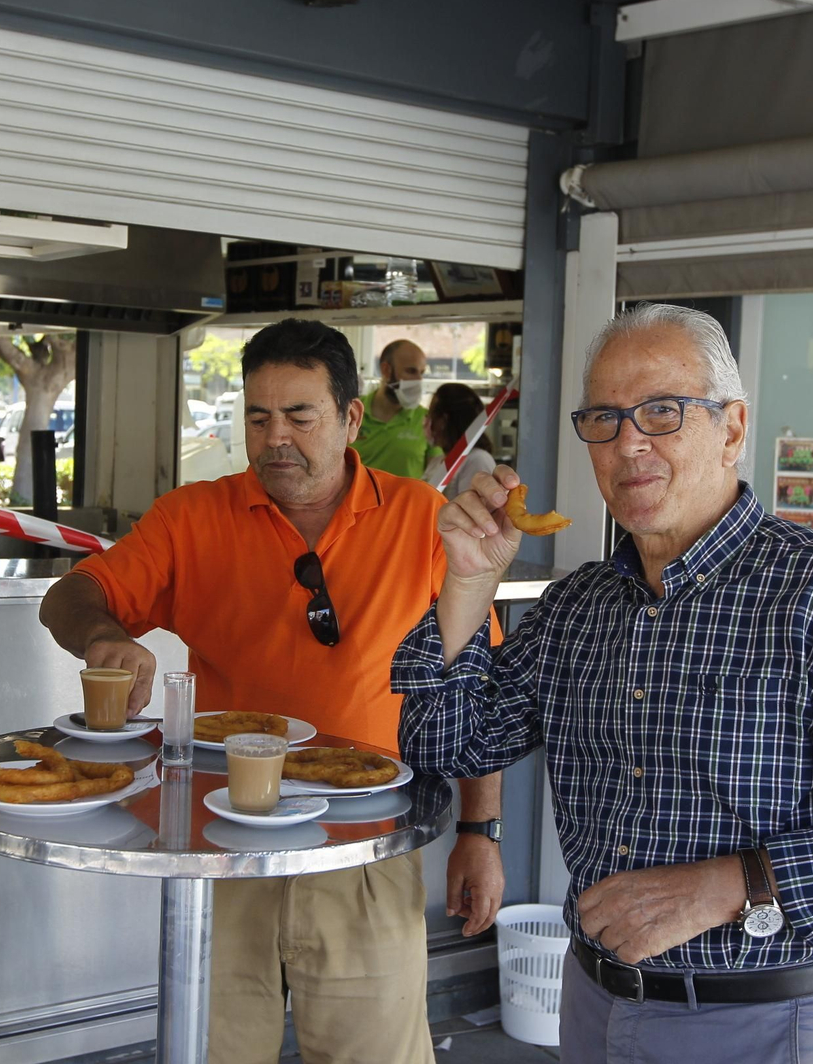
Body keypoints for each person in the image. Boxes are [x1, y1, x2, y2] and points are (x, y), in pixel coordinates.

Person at [393, 303, 813, 1063]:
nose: (628, 442)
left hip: (770, 1024)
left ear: (732, 428)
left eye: (662, 412)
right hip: (596, 1008)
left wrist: (729, 883)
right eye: (603, 417)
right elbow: (447, 741)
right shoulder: (579, 607)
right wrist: (468, 585)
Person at [39, 319, 504, 1064]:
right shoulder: (194, 518)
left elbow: (475, 693)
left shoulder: (422, 521)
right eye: (258, 416)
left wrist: (481, 835)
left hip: (365, 847)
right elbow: (73, 593)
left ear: (352, 418)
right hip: (222, 845)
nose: (276, 437)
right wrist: (102, 636)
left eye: (300, 415)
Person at [351, 338, 440, 477]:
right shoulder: (351, 413)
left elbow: (435, 474)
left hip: (409, 499)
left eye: (421, 373)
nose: (418, 380)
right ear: (386, 370)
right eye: (411, 371)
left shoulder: (427, 421)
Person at [420, 382, 497, 499]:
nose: (426, 421)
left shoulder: (477, 460)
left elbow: (476, 511)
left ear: (443, 421)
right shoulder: (437, 461)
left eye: (431, 414)